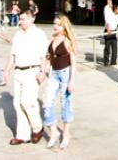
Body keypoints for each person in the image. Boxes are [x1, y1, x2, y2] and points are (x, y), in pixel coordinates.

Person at [5, 10, 48, 146]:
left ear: (31, 19)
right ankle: (22, 135)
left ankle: (37, 127)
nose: (20, 21)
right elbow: (12, 55)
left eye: (23, 19)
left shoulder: (38, 34)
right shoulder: (18, 35)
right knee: (17, 103)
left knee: (27, 102)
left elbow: (44, 55)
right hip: (19, 71)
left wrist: (43, 71)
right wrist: (6, 70)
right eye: (20, 19)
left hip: (33, 70)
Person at [42, 14, 77, 150]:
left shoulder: (67, 41)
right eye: (54, 23)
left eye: (58, 24)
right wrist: (43, 70)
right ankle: (54, 132)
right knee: (47, 102)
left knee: (65, 102)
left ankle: (66, 133)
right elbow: (48, 56)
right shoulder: (52, 39)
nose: (54, 26)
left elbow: (73, 62)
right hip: (53, 74)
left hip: (65, 73)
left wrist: (72, 81)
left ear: (63, 27)